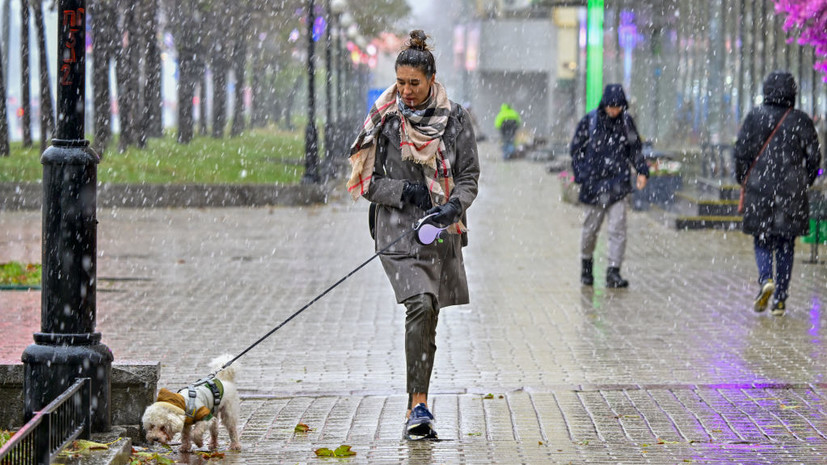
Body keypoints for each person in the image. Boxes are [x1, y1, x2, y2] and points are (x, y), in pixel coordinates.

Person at [345, 30, 480, 440]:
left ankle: (417, 404)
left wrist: (453, 205)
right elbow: (364, 180)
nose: (405, 91)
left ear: (431, 78)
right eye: (400, 82)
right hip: (396, 235)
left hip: (440, 233)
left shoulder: (455, 120)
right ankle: (417, 404)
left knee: (429, 315)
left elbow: (469, 177)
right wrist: (406, 191)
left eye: (414, 83)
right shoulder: (383, 120)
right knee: (419, 304)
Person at [734, 70, 821, 316]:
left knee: (762, 239)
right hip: (791, 191)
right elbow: (814, 156)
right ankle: (781, 299)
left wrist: (744, 179)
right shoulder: (801, 120)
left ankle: (765, 280)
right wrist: (805, 180)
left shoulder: (754, 118)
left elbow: (741, 153)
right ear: (792, 92)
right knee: (786, 243)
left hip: (760, 188)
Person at [570, 84, 649, 288]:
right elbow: (576, 149)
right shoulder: (590, 122)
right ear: (604, 105)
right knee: (590, 229)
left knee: (618, 229)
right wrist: (582, 175)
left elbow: (635, 150)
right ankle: (586, 266)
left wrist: (642, 171)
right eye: (611, 107)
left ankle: (614, 271)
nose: (614, 111)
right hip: (594, 186)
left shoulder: (626, 123)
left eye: (618, 107)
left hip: (618, 185)